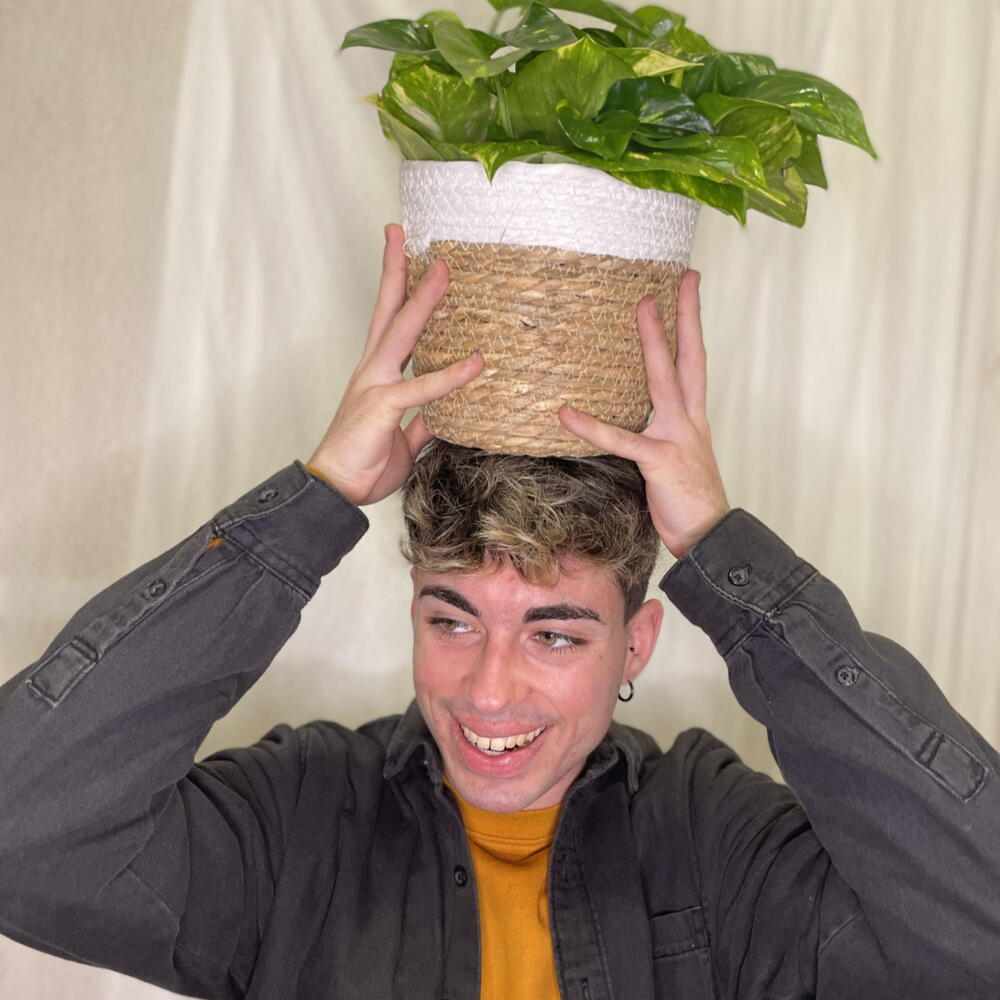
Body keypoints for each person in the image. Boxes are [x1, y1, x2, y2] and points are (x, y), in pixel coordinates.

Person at [0, 223, 997, 1000]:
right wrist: (316, 500)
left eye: (554, 634)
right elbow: (22, 834)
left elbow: (979, 937)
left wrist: (723, 555)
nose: (487, 689)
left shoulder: (710, 834)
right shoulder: (297, 820)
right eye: (453, 620)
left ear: (636, 644)